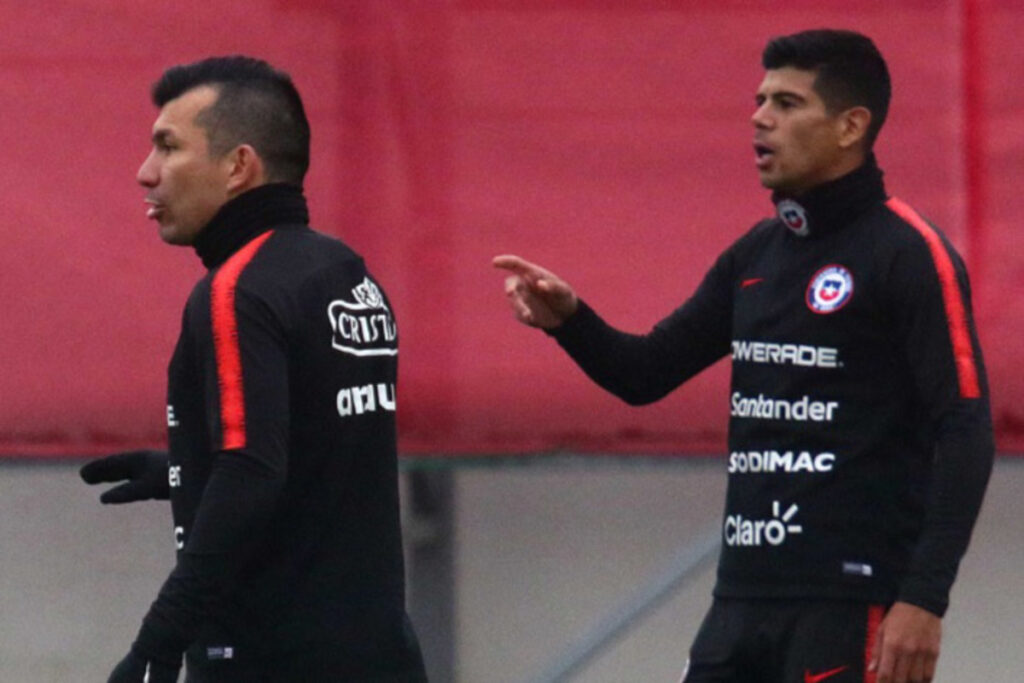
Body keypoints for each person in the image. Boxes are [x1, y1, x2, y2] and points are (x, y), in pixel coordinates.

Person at [494, 29, 993, 683]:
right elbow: (644, 374)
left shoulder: (907, 252)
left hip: (851, 602)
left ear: (850, 126)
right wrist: (570, 321)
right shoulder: (756, 254)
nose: (759, 118)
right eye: (759, 100)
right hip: (740, 600)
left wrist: (923, 598)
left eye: (786, 103)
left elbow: (965, 429)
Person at [80, 56, 426, 682]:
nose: (145, 173)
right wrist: (182, 470)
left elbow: (252, 473)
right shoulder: (345, 272)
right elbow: (320, 447)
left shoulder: (238, 291)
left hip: (272, 659)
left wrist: (158, 640)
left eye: (168, 146)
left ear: (238, 166)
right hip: (382, 653)